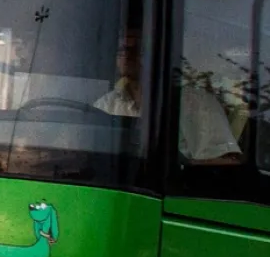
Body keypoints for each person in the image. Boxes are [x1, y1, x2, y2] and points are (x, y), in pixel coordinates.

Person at [93, 28, 241, 165]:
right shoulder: (107, 104)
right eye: (122, 49)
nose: (126, 55)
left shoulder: (197, 102)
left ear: (157, 55)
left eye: (136, 49)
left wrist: (178, 167)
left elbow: (227, 163)